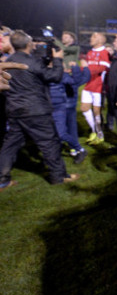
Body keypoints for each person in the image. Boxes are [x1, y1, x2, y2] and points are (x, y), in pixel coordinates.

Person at [0, 30, 79, 190]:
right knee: (49, 143)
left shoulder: (7, 62)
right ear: (29, 44)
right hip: (35, 110)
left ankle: (3, 180)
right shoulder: (31, 62)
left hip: (15, 110)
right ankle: (59, 176)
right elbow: (55, 76)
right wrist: (57, 60)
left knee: (10, 145)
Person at [81, 32, 111, 145]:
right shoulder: (89, 53)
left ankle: (100, 135)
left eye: (94, 36)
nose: (90, 38)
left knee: (96, 112)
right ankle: (94, 130)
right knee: (84, 109)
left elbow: (103, 68)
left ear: (100, 40)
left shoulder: (104, 52)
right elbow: (87, 68)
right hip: (88, 85)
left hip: (99, 86)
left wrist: (86, 69)